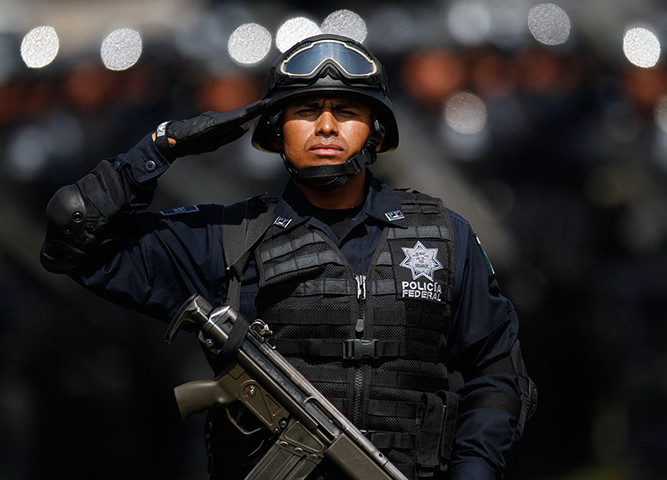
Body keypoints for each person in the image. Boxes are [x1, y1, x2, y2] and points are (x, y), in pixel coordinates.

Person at [40, 34, 536, 479]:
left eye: (345, 111)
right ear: (275, 131)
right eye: (305, 111)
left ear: (377, 133)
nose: (324, 126)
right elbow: (74, 241)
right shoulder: (226, 237)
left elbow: (497, 372)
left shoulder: (444, 235)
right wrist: (160, 148)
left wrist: (474, 470)